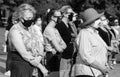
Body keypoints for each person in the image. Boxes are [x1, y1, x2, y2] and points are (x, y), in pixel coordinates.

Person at [8, 3, 48, 77]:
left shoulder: (32, 28)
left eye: (31, 18)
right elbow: (24, 53)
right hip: (21, 65)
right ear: (20, 17)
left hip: (36, 63)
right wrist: (41, 67)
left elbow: (40, 43)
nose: (30, 20)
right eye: (28, 18)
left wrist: (39, 56)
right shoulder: (15, 30)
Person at [75, 8, 110, 77]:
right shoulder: (84, 33)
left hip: (96, 72)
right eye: (97, 19)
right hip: (87, 73)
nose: (100, 21)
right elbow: (86, 56)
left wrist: (105, 65)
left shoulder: (95, 33)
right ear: (90, 22)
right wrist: (102, 67)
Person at [55, 5, 75, 77]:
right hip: (62, 56)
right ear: (64, 14)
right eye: (70, 13)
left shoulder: (69, 25)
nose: (72, 15)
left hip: (69, 55)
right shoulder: (60, 25)